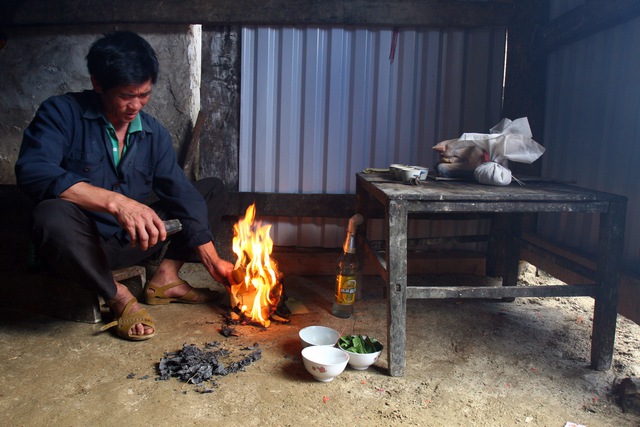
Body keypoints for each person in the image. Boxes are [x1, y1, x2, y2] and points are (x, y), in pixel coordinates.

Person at [15, 31, 235, 341]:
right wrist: (118, 203)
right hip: (86, 248)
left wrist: (212, 259)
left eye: (144, 94)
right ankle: (116, 295)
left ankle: (166, 278)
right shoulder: (61, 113)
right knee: (49, 214)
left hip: (137, 242)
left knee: (209, 190)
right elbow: (33, 171)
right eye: (126, 95)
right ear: (98, 83)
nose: (135, 105)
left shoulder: (152, 133)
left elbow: (180, 193)